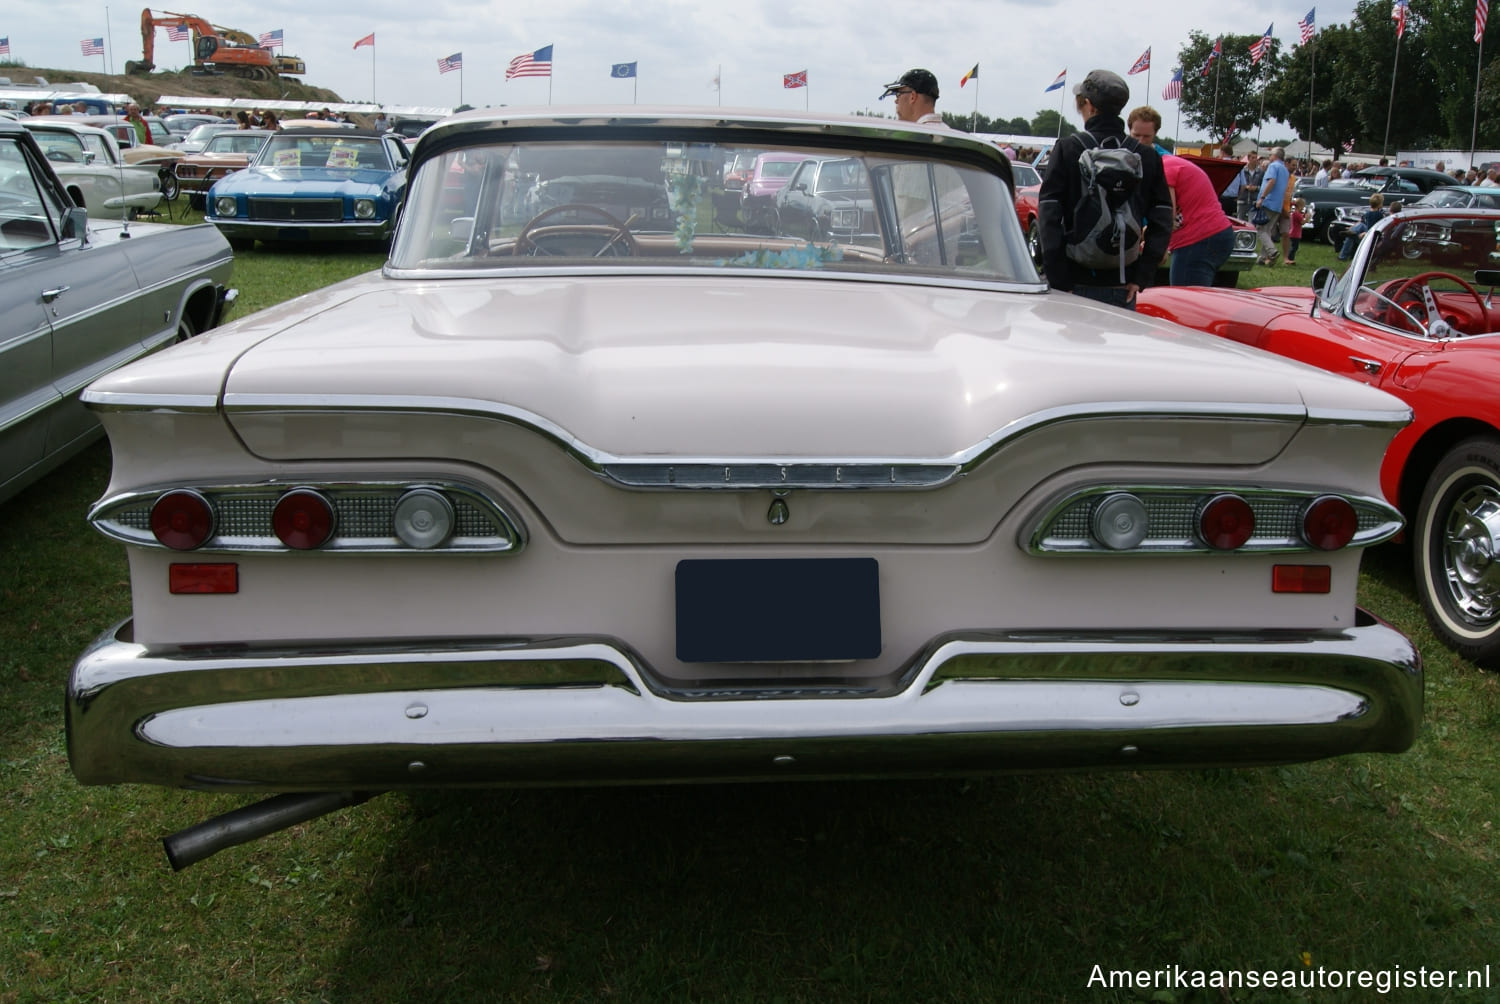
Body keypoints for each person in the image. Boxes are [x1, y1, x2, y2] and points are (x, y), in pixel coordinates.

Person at [1038, 69, 1172, 309]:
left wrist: (1058, 276)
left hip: (1072, 280)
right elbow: (1162, 217)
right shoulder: (1146, 156)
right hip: (1123, 282)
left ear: (1088, 105)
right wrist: (1142, 275)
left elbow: (1049, 216)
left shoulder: (1068, 148)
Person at [1128, 111, 1233, 286]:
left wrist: (1158, 248)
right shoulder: (1163, 161)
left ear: (1155, 135)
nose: (1140, 141)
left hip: (1200, 239)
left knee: (1185, 298)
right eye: (1136, 135)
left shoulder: (1165, 166)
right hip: (1216, 235)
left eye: (1146, 136)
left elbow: (1168, 213)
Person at [1253, 146, 1291, 265]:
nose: (1269, 157)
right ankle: (1263, 257)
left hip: (1269, 201)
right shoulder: (1285, 169)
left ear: (1275, 156)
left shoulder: (1273, 166)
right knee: (1268, 230)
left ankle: (1272, 251)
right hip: (1278, 204)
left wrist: (1262, 197)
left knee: (1260, 229)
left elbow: (1271, 181)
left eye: (1270, 155)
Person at [879, 68, 943, 125]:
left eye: (898, 94)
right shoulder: (948, 133)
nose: (896, 101)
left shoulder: (915, 135)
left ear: (912, 97)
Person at [1338, 192, 1385, 260]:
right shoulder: (1379, 214)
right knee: (1353, 234)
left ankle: (1342, 256)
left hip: (1369, 235)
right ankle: (1352, 232)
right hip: (1367, 235)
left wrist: (1355, 230)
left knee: (1356, 230)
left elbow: (1372, 228)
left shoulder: (1368, 214)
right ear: (1380, 204)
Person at [1235, 152, 1264, 221]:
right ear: (1248, 158)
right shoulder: (1242, 170)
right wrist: (1245, 186)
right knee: (1239, 220)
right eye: (1253, 158)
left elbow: (1263, 186)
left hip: (1253, 201)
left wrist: (1256, 188)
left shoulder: (1260, 172)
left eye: (1256, 158)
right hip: (1242, 200)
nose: (1255, 160)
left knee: (1252, 222)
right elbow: (1237, 183)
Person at [1287, 197, 1307, 265]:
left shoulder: (1295, 213)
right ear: (1300, 206)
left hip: (1293, 233)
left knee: (1293, 247)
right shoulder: (1297, 214)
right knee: (1294, 247)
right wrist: (1307, 218)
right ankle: (1290, 259)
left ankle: (1290, 258)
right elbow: (1302, 222)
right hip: (1295, 234)